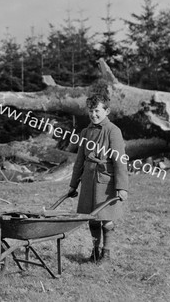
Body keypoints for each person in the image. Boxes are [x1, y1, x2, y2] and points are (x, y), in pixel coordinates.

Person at [67, 93, 129, 263]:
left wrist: (122, 187)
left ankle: (106, 253)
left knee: (106, 218)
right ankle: (94, 251)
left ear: (106, 111)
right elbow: (79, 160)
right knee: (91, 218)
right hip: (88, 181)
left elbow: (120, 161)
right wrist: (73, 185)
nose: (93, 114)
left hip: (106, 182)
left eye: (97, 111)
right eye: (91, 111)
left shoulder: (113, 131)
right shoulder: (86, 132)